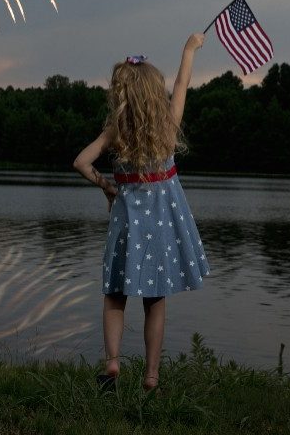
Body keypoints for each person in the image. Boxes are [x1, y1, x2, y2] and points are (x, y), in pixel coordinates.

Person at [72, 33, 211, 392]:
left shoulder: (115, 132)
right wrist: (189, 49)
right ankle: (151, 376)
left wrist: (106, 186)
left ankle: (113, 363)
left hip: (126, 226)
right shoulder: (166, 127)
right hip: (161, 231)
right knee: (155, 302)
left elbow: (80, 162)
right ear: (153, 92)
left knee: (115, 296)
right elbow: (182, 82)